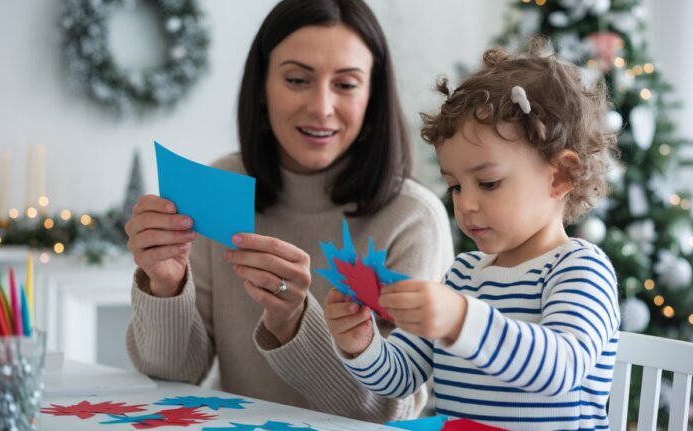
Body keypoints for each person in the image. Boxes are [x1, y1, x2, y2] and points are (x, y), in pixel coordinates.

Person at [124, 0, 453, 423]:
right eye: (297, 79)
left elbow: (389, 412)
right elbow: (169, 376)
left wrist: (292, 321)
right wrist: (165, 286)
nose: (321, 107)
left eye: (347, 85)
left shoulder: (413, 219)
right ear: (262, 86)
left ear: (373, 96)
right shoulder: (221, 185)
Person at [325, 42, 621, 430]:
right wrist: (361, 344)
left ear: (560, 176)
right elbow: (401, 377)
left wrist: (463, 320)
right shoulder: (463, 275)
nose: (465, 205)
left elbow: (561, 369)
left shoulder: (579, 269)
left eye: (488, 182)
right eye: (455, 187)